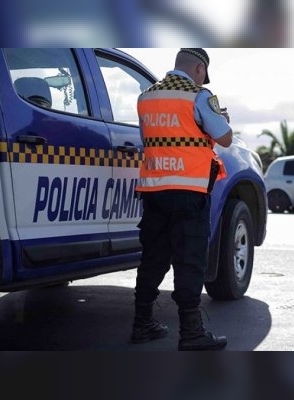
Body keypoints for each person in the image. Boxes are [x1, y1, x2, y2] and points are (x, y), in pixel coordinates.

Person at [131, 48, 233, 351]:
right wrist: (222, 118)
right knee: (190, 261)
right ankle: (191, 333)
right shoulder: (198, 95)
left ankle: (142, 324)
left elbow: (148, 137)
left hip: (154, 189)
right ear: (199, 69)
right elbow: (225, 137)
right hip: (189, 191)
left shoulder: (145, 96)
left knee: (152, 258)